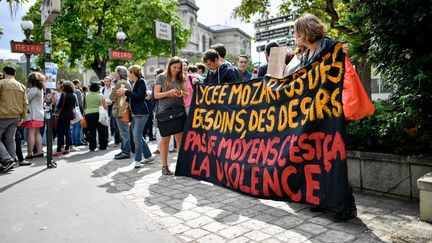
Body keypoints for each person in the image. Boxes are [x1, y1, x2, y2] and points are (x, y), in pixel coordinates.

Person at [292, 13, 357, 222]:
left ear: (304, 31)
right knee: (315, 158)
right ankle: (320, 199)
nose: (294, 36)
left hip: (330, 115)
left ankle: (345, 206)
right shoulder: (306, 54)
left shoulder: (330, 47)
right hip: (313, 116)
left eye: (296, 31)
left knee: (333, 160)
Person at [154, 57, 188, 175]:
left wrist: (181, 93)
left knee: (180, 138)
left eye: (179, 68)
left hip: (178, 111)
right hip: (164, 113)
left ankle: (181, 165)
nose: (176, 70)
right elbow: (156, 95)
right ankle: (164, 166)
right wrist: (169, 93)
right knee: (165, 139)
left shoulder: (181, 77)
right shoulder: (161, 77)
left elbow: (187, 94)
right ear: (169, 66)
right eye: (174, 67)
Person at [117, 65, 154, 169]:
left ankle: (137, 160)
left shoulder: (141, 81)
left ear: (134, 73)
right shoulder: (135, 83)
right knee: (138, 136)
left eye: (130, 73)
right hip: (135, 114)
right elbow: (134, 97)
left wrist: (126, 92)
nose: (129, 76)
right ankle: (148, 156)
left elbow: (139, 96)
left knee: (136, 137)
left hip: (141, 114)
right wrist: (124, 94)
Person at [0, 66, 28, 172]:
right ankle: (11, 161)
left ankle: (7, 160)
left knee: (8, 139)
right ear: (14, 74)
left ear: (4, 73)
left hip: (3, 115)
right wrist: (22, 116)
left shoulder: (1, 83)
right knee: (10, 139)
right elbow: (25, 103)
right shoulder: (21, 85)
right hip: (16, 116)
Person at [21, 72, 45, 160]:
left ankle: (29, 154)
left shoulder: (34, 89)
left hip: (33, 114)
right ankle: (40, 151)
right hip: (39, 114)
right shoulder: (40, 89)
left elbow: (26, 100)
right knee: (37, 133)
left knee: (30, 133)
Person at [110, 66, 131, 160]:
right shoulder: (127, 82)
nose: (115, 74)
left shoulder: (120, 83)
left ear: (119, 73)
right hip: (124, 109)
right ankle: (124, 150)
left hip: (120, 110)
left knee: (124, 132)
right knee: (125, 132)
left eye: (115, 72)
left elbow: (111, 96)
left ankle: (126, 152)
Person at [84, 82, 108, 152]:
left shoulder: (86, 95)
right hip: (98, 114)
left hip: (88, 114)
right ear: (97, 88)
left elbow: (85, 106)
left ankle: (92, 147)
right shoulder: (100, 95)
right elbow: (104, 106)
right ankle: (103, 146)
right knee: (101, 130)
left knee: (91, 131)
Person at [53, 81, 76, 156]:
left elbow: (60, 105)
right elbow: (74, 106)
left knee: (60, 132)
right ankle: (67, 148)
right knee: (67, 132)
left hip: (62, 115)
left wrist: (55, 111)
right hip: (69, 116)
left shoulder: (64, 94)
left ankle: (59, 149)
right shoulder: (73, 95)